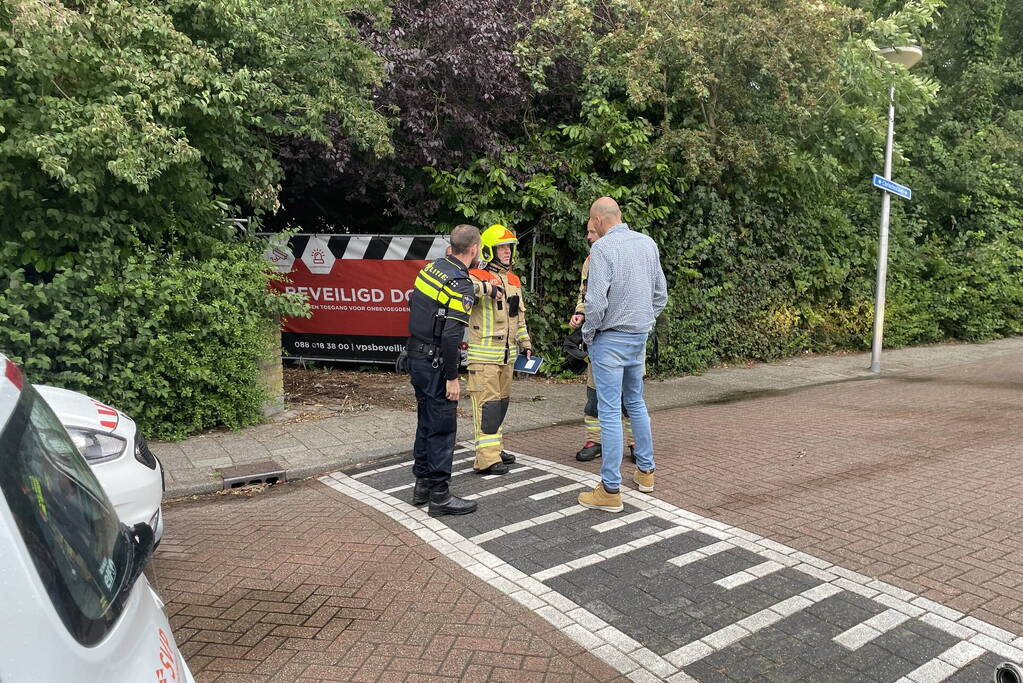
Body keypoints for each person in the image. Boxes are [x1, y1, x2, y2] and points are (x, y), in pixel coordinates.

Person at [578, 198, 667, 513]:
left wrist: (589, 335)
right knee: (636, 405)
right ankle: (646, 473)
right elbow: (660, 295)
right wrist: (645, 323)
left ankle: (610, 489)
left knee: (610, 412)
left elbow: (597, 302)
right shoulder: (647, 244)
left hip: (609, 340)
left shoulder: (603, 250)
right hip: (637, 338)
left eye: (592, 222)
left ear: (599, 220)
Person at [406, 224, 481, 516]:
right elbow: (451, 336)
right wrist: (453, 377)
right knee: (442, 428)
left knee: (425, 420)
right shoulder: (460, 283)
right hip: (436, 363)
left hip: (416, 356)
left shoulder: (432, 269)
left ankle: (422, 484)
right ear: (474, 248)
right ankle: (439, 496)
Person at [467, 224, 534, 474]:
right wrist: (488, 289)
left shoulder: (513, 279)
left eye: (509, 247)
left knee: (501, 405)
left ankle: (495, 448)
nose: (507, 252)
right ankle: (486, 459)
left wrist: (525, 343)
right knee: (488, 407)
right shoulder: (476, 276)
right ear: (489, 251)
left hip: (507, 357)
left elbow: (519, 317)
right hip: (483, 358)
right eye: (501, 247)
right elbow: (463, 290)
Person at [569, 224, 635, 463]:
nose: (587, 236)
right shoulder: (590, 260)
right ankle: (594, 440)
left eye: (592, 232)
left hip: (625, 335)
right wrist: (580, 313)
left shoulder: (627, 255)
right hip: (598, 338)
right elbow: (585, 293)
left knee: (629, 395)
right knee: (594, 393)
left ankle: (635, 443)